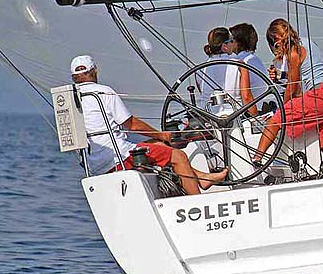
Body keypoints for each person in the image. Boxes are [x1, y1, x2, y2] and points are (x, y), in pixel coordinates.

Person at [70, 55, 227, 195]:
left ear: (74, 77)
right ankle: (196, 204)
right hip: (117, 159)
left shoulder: (69, 99)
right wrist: (162, 134)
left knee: (158, 145)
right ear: (95, 71)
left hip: (93, 165)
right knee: (179, 156)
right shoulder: (103, 91)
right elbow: (132, 125)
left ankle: (203, 178)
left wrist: (158, 139)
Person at [252, 19, 323, 169]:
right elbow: (305, 74)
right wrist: (281, 76)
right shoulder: (307, 43)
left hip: (319, 96)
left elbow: (293, 87)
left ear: (276, 39)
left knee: (275, 120)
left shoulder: (293, 52)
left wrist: (282, 108)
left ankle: (257, 159)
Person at [229, 23, 271, 116]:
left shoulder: (242, 61)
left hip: (254, 111)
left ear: (238, 42)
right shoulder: (254, 59)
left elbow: (245, 95)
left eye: (231, 40)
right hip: (262, 106)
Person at [199, 26, 236, 109]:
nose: (233, 43)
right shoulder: (237, 64)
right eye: (231, 41)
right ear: (224, 46)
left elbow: (203, 93)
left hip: (208, 113)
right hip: (233, 112)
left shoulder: (200, 70)